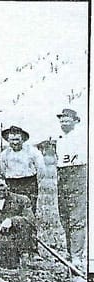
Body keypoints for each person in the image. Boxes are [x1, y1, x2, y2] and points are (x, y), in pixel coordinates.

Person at [0, 176, 37, 268]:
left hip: (18, 239)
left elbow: (30, 220)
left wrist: (12, 221)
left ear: (7, 186)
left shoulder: (22, 200)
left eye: (1, 185)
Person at [54, 108, 86, 269]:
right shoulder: (60, 140)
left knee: (77, 218)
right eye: (62, 120)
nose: (64, 123)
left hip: (78, 173)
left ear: (76, 121)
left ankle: (77, 256)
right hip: (63, 175)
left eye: (67, 120)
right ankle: (69, 251)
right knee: (64, 216)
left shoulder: (82, 136)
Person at [0, 125, 45, 213]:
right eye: (12, 140)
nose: (15, 143)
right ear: (8, 140)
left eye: (17, 139)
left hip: (28, 183)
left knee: (29, 208)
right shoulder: (4, 154)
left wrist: (37, 182)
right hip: (12, 183)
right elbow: (3, 171)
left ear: (22, 139)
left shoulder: (32, 151)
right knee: (12, 207)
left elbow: (41, 169)